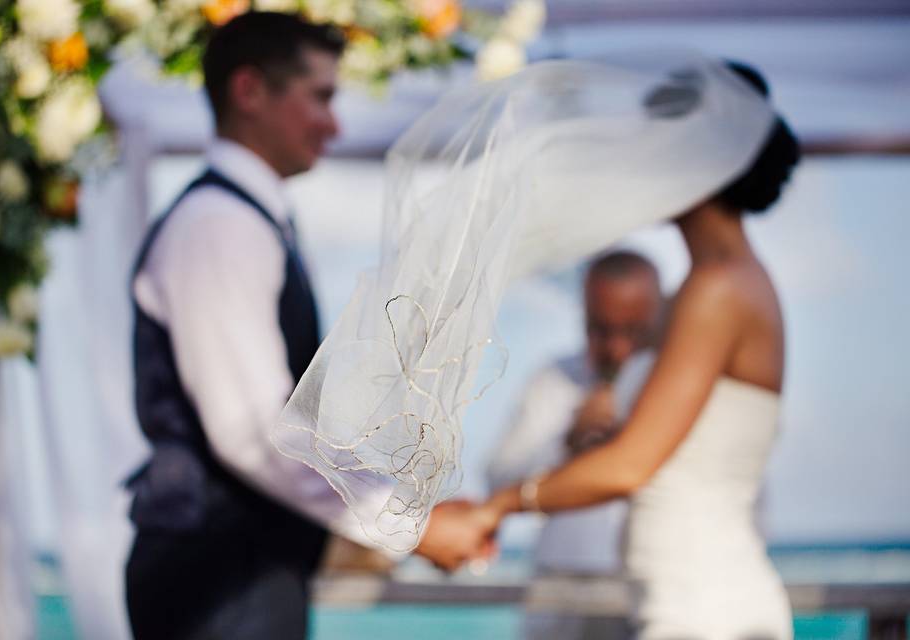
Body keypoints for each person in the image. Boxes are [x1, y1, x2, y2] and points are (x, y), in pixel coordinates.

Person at [123, 12, 490, 640]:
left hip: (247, 569)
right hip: (218, 580)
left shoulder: (251, 221)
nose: (334, 124)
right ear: (250, 91)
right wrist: (407, 524)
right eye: (320, 96)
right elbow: (254, 433)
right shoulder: (220, 225)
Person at [475, 61, 801, 639]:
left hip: (704, 613)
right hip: (679, 600)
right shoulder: (709, 287)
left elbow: (630, 465)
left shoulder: (718, 288)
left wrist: (497, 507)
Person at [487, 251, 662, 640]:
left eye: (634, 331)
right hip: (561, 589)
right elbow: (498, 478)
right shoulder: (554, 379)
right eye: (601, 330)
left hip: (646, 588)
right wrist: (567, 440)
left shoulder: (675, 388)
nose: (616, 349)